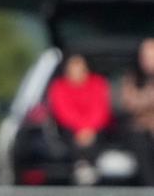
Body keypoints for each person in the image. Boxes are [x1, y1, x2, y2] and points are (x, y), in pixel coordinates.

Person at [47, 54, 112, 185]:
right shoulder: (58, 87)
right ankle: (82, 170)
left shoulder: (98, 83)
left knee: (94, 139)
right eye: (72, 69)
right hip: (70, 131)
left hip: (96, 131)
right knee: (71, 138)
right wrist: (81, 128)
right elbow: (62, 111)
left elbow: (101, 109)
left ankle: (90, 170)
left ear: (86, 70)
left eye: (79, 69)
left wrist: (89, 129)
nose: (76, 73)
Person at [120, 38, 154, 185]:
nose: (148, 61)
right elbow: (129, 104)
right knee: (139, 140)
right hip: (138, 130)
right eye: (145, 57)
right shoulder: (131, 78)